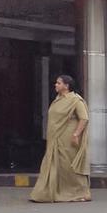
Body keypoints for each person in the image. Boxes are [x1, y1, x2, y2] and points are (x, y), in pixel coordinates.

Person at [30, 75, 91, 203]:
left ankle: (81, 193)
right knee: (54, 165)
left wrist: (76, 134)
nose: (55, 85)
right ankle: (49, 192)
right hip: (55, 139)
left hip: (68, 139)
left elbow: (84, 118)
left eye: (58, 83)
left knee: (68, 167)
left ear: (66, 86)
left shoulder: (76, 100)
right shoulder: (57, 100)